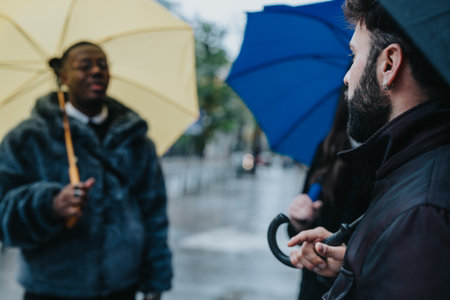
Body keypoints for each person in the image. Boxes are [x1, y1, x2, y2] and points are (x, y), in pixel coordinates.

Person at [288, 0, 450, 299]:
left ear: (389, 64)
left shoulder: (422, 217)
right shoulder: (408, 169)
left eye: (354, 55)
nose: (346, 76)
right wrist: (354, 264)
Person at [0, 41, 172, 300]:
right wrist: (49, 205)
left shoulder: (137, 141)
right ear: (63, 77)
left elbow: (154, 214)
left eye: (103, 65)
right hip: (50, 288)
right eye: (84, 65)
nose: (96, 71)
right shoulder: (26, 138)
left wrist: (155, 280)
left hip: (122, 287)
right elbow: (3, 214)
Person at [287, 88, 372, 300]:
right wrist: (300, 219)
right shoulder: (327, 147)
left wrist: (350, 261)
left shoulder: (392, 155)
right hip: (315, 286)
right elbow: (297, 232)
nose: (347, 77)